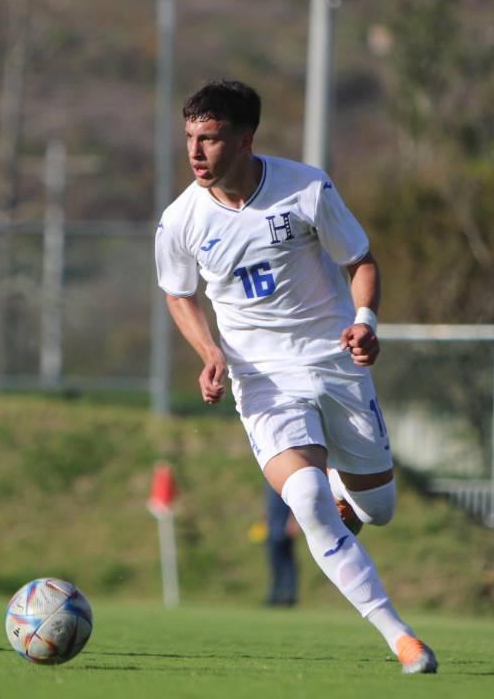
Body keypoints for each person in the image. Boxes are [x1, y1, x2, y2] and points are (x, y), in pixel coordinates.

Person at [154, 79, 437, 675]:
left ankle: (344, 492)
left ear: (245, 139)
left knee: (379, 509)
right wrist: (209, 351)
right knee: (305, 500)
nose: (196, 152)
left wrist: (365, 322)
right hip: (262, 379)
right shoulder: (180, 219)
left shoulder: (306, 188)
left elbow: (360, 261)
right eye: (190, 138)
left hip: (334, 361)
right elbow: (179, 294)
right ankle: (402, 639)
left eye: (211, 138)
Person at [263, 481, 299, 607]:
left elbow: (294, 502)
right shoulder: (269, 480)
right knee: (275, 562)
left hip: (284, 526)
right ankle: (274, 595)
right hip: (273, 526)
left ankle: (288, 596)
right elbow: (268, 504)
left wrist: (293, 521)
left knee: (287, 562)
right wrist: (265, 520)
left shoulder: (284, 479)